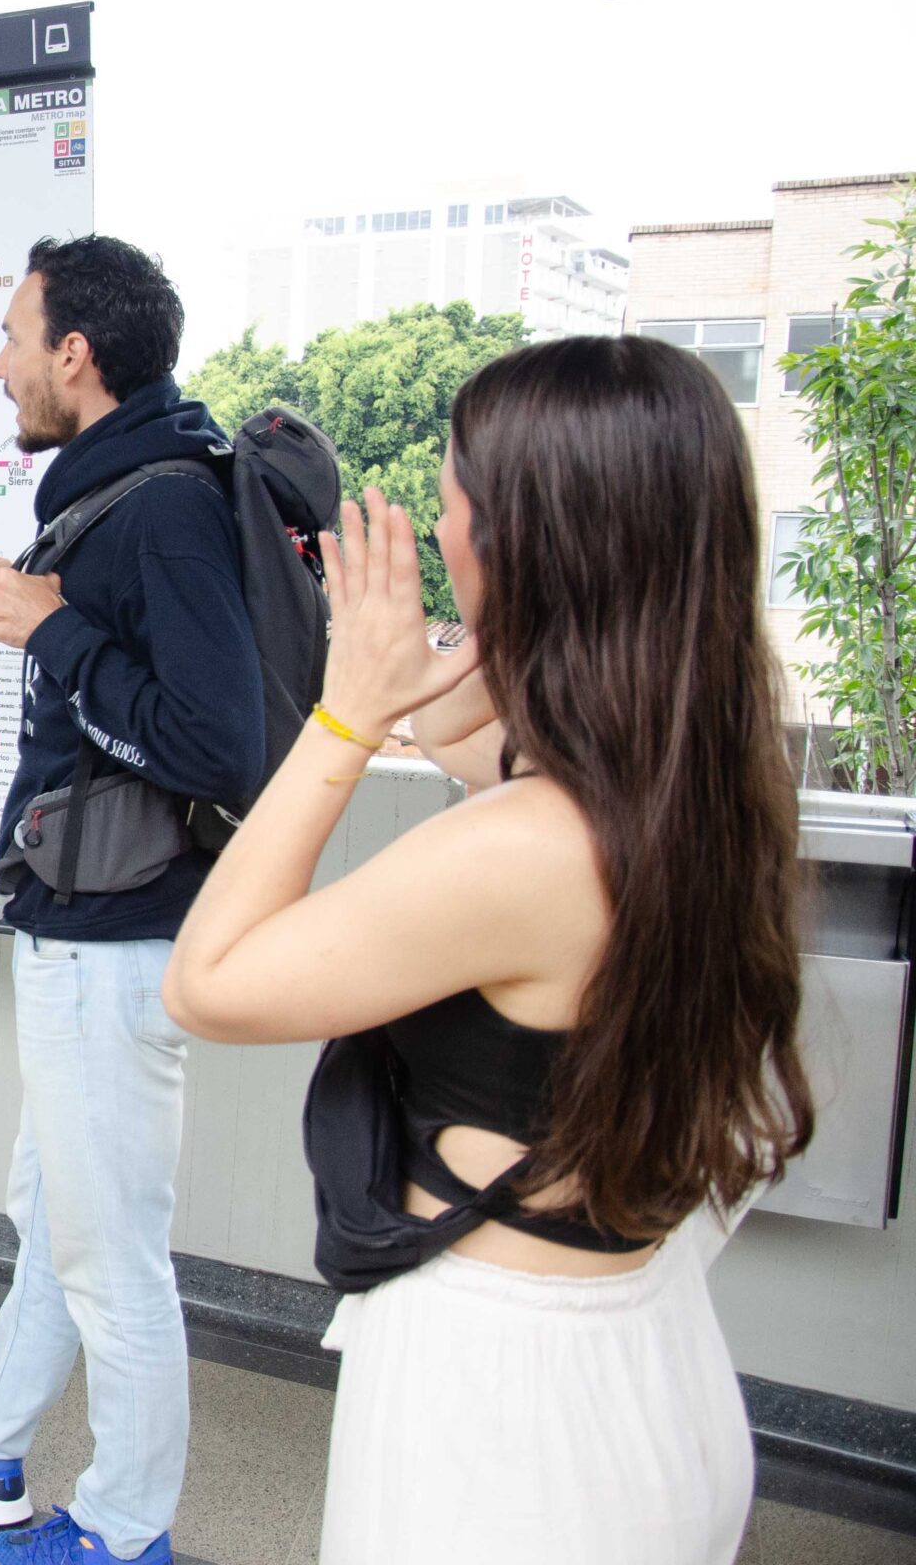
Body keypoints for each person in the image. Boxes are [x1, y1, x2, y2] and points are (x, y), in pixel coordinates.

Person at [162, 336, 812, 1564]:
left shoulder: (531, 850)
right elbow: (480, 729)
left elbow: (211, 978)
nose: (438, 526)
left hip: (508, 1432)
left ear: (523, 541)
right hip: (640, 1353)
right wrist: (440, 662)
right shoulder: (700, 773)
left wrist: (347, 709)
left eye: (455, 500)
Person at [0, 236, 264, 1565]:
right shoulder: (122, 491)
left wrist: (49, 629)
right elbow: (119, 675)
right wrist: (35, 606)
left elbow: (220, 744)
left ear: (75, 355)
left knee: (112, 1259)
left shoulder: (158, 505)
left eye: (12, 335)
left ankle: (121, 1531)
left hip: (115, 946)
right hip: (84, 930)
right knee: (55, 1211)